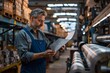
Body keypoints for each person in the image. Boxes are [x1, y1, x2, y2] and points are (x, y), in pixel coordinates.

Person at [15, 8, 55, 73]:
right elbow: (23, 56)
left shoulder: (41, 34)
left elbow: (48, 45)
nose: (42, 24)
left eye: (43, 21)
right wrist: (43, 54)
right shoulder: (23, 34)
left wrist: (56, 47)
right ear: (32, 18)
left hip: (41, 70)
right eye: (40, 21)